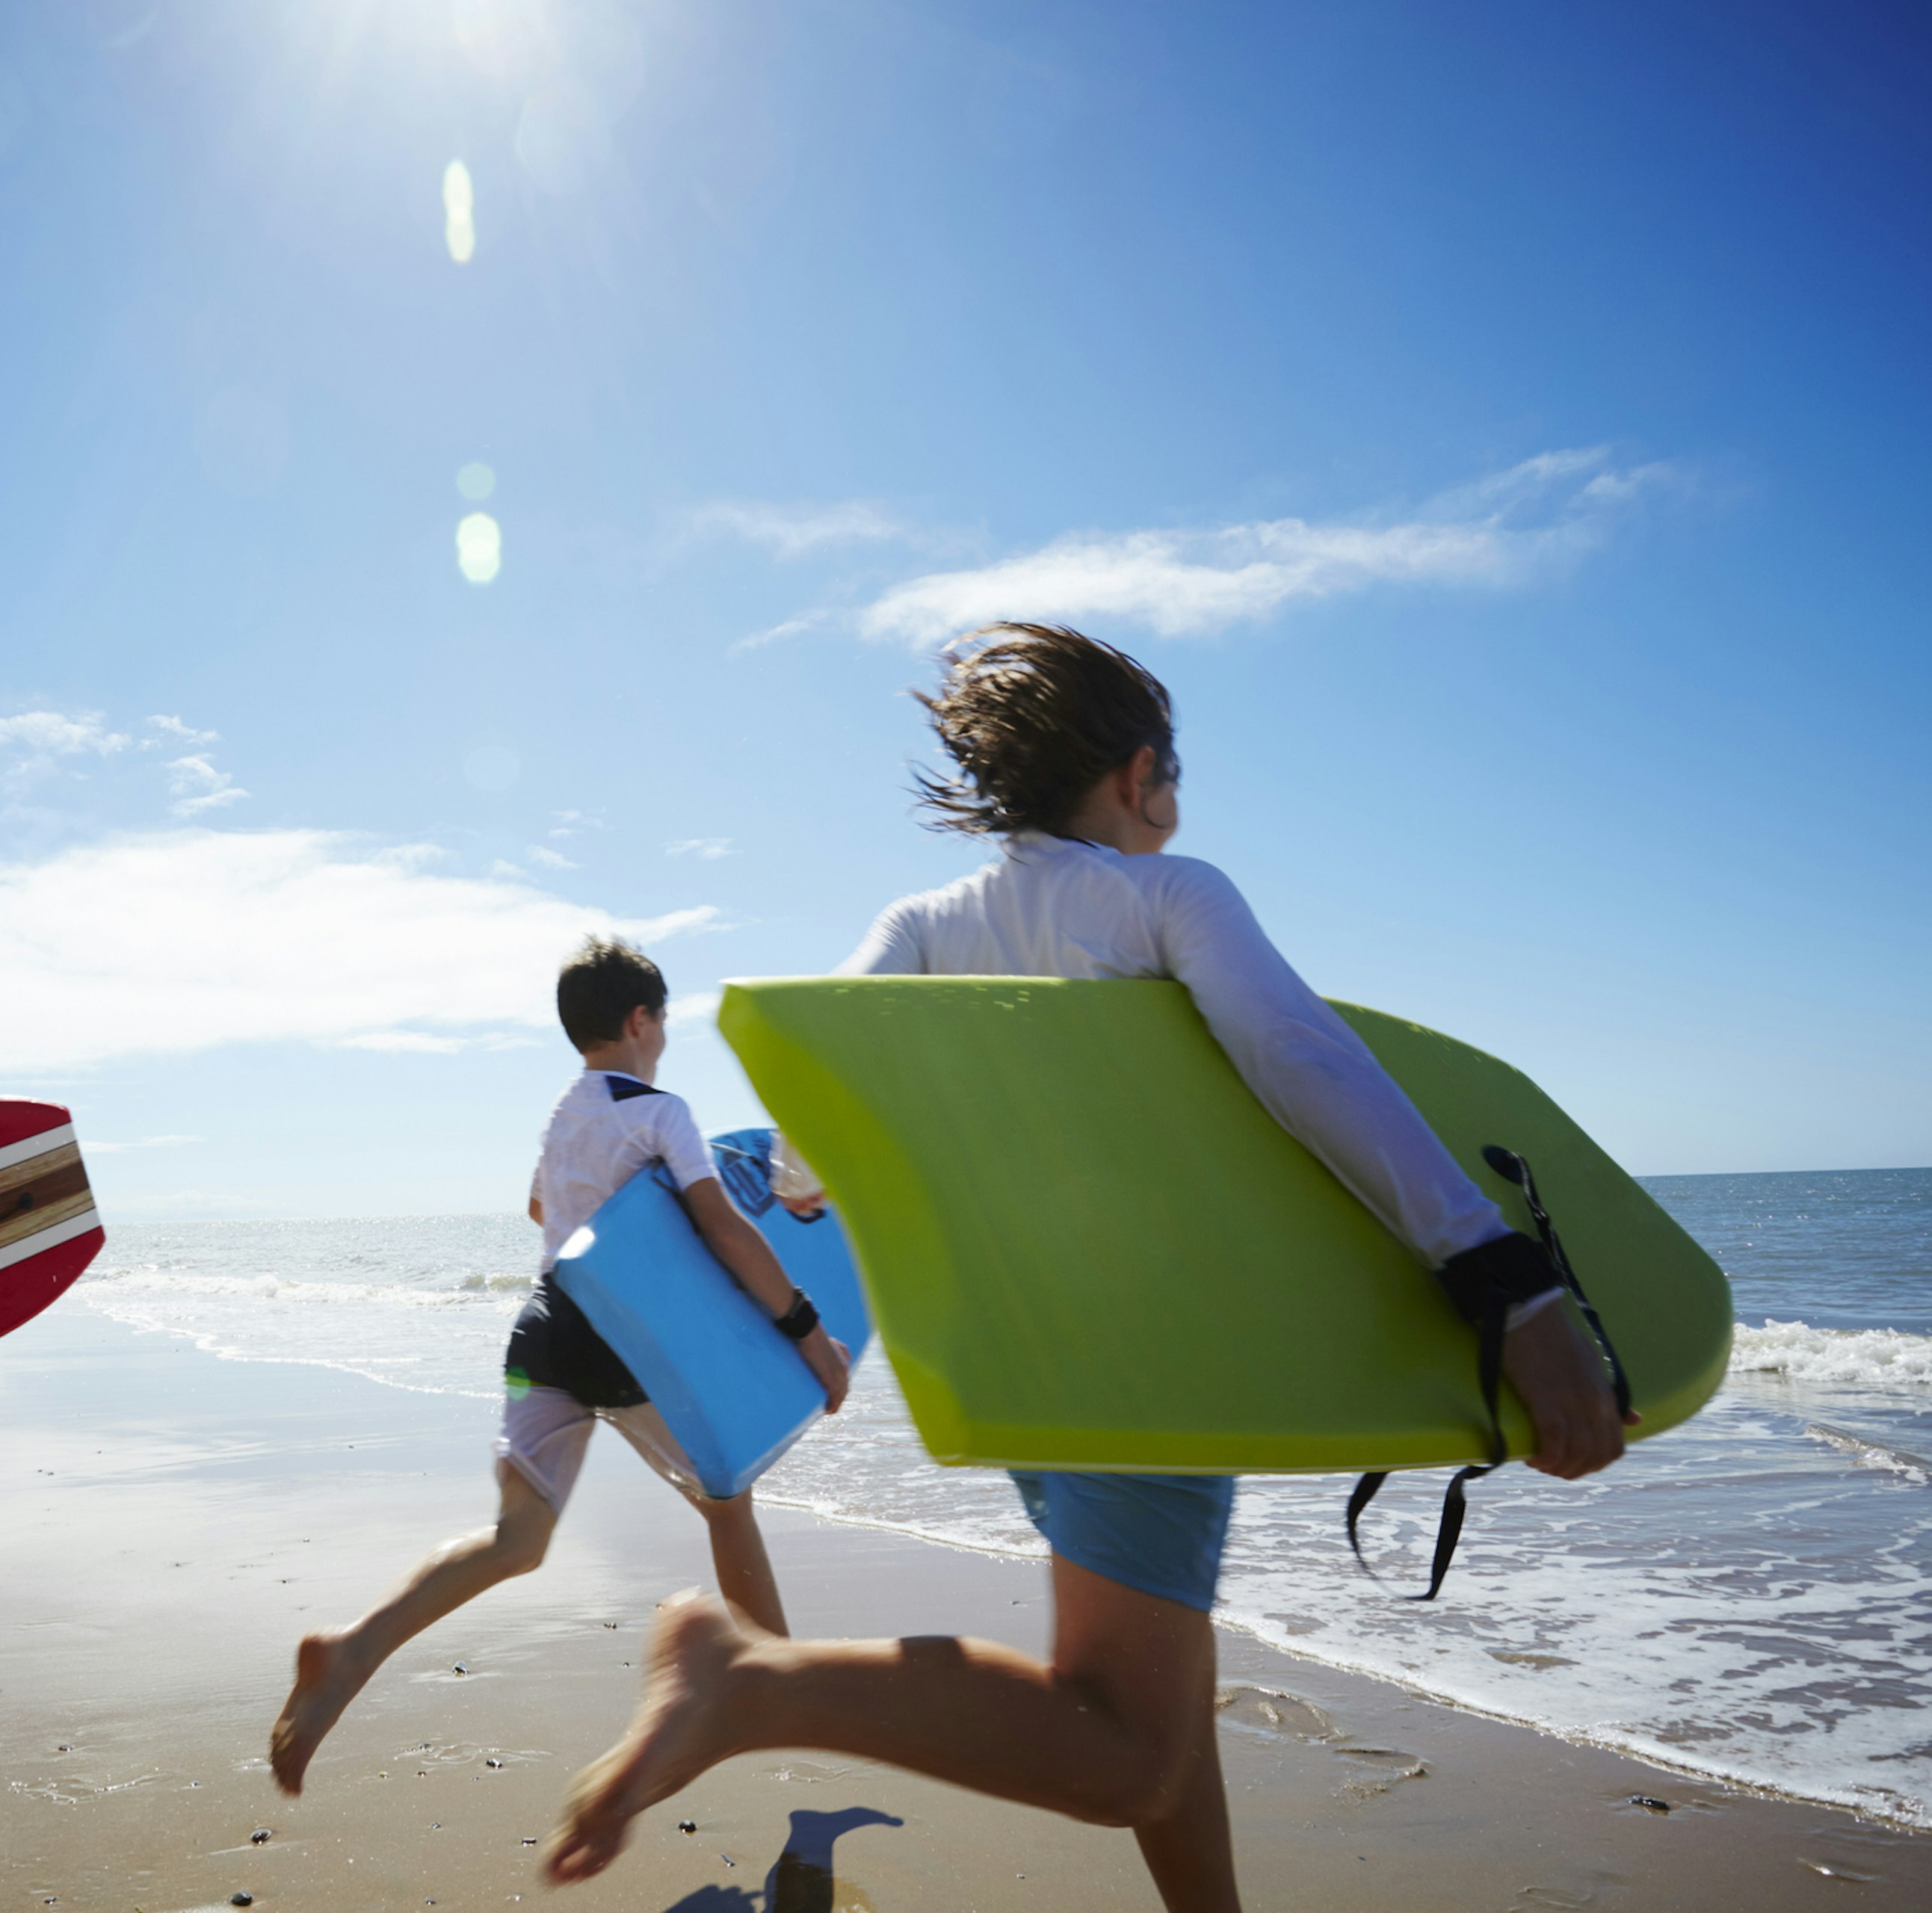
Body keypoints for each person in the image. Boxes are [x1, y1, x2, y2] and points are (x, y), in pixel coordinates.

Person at [543, 626, 1633, 1911]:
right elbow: (1307, 1064)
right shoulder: (1166, 898)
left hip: (1009, 1374)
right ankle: (752, 1680)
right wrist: (1507, 1281)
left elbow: (798, 1161)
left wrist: (832, 1165)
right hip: (1152, 1362)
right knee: (1121, 1746)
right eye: (1173, 777)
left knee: (1152, 1690)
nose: (1176, 807)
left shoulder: (921, 925)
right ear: (1137, 773)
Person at [268, 936, 854, 1794]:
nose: (665, 1036)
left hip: (543, 1333)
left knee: (518, 1538)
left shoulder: (565, 1111)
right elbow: (726, 1227)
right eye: (663, 1019)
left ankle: (350, 1646)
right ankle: (777, 1691)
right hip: (623, 1342)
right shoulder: (661, 1111)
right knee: (729, 1496)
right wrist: (807, 1332)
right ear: (639, 1019)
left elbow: (542, 1206)